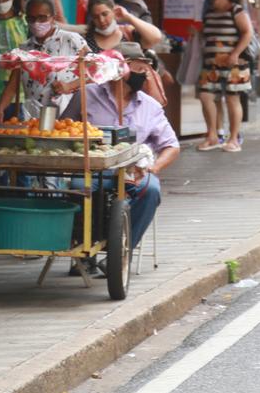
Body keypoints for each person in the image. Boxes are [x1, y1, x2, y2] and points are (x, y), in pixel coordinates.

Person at [61, 56, 180, 249]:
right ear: (118, 70)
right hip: (92, 168)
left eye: (145, 70)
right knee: (79, 186)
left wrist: (153, 168)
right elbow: (63, 128)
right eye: (137, 68)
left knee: (151, 190)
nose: (143, 75)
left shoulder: (150, 106)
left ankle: (123, 248)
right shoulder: (86, 95)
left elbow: (171, 145)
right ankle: (84, 245)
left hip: (134, 170)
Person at [0, 0, 88, 122]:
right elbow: (14, 80)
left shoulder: (71, 40)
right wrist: (1, 107)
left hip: (68, 113)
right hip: (34, 116)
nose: (36, 23)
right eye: (31, 18)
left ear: (53, 17)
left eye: (42, 17)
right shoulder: (25, 48)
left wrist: (70, 85)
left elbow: (95, 70)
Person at [196, 0, 253, 154]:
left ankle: (234, 138)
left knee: (232, 99)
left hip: (234, 64)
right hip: (211, 63)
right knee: (206, 96)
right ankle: (212, 135)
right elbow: (207, 34)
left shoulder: (236, 10)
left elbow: (247, 32)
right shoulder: (210, 13)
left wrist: (235, 53)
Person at [83, 0, 163, 53]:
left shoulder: (128, 33)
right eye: (96, 17)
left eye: (105, 14)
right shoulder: (85, 40)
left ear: (114, 11)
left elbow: (155, 37)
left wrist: (128, 17)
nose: (101, 20)